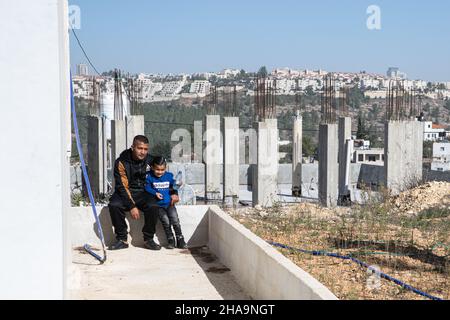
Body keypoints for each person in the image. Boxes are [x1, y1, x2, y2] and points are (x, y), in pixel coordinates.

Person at [108, 135, 179, 251]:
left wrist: (174, 192)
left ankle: (148, 239)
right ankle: (122, 239)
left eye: (145, 149)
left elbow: (165, 176)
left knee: (154, 205)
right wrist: (132, 206)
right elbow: (122, 186)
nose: (143, 152)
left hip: (144, 191)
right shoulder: (121, 161)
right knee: (114, 205)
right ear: (132, 147)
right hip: (125, 192)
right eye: (139, 148)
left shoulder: (151, 160)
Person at [145, 156, 188, 249]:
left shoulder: (169, 176)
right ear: (152, 167)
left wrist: (178, 184)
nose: (160, 172)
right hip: (159, 206)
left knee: (175, 220)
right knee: (166, 222)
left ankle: (180, 239)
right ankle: (170, 239)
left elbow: (174, 185)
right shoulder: (149, 176)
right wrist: (155, 193)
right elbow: (147, 187)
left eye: (162, 170)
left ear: (166, 168)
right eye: (157, 169)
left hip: (170, 204)